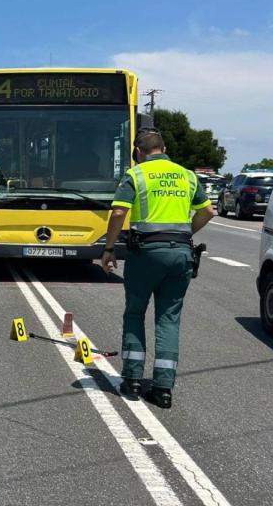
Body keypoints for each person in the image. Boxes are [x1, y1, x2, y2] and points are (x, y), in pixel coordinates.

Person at [99, 131, 216, 409]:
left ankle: (132, 379)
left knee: (135, 312)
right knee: (169, 318)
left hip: (146, 254)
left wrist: (109, 248)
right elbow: (208, 211)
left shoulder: (136, 175)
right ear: (164, 148)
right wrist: (186, 233)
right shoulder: (187, 175)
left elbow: (118, 212)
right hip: (180, 253)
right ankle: (163, 388)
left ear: (138, 152)